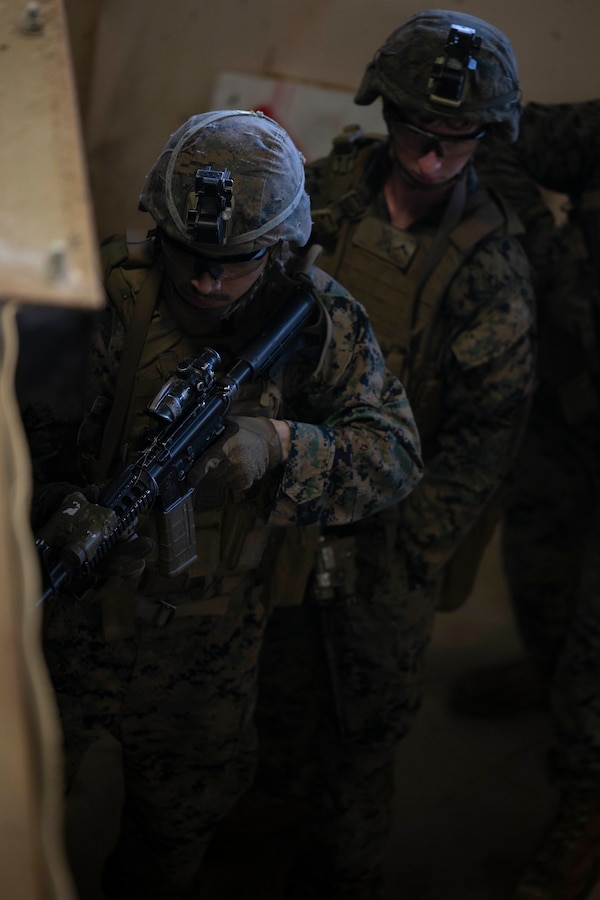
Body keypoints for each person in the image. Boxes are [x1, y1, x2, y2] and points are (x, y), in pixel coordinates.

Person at [29, 109, 423, 900]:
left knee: (169, 847)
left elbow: (397, 456)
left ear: (278, 245)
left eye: (236, 263)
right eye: (192, 257)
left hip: (205, 652)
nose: (208, 282)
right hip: (69, 631)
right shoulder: (105, 293)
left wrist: (281, 445)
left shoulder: (315, 319)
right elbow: (20, 432)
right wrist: (53, 502)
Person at [223, 10, 536, 900]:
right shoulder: (324, 199)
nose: (432, 159)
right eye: (418, 131)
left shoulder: (490, 269)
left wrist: (415, 547)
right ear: (386, 110)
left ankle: (338, 870)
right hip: (285, 492)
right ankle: (262, 822)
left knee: (362, 732)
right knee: (266, 688)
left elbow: (487, 436)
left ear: (488, 135)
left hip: (388, 527)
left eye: (457, 139)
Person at [450, 99, 600, 900]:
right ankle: (545, 674)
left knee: (595, 648)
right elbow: (494, 132)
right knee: (538, 568)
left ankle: (587, 803)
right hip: (574, 404)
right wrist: (547, 254)